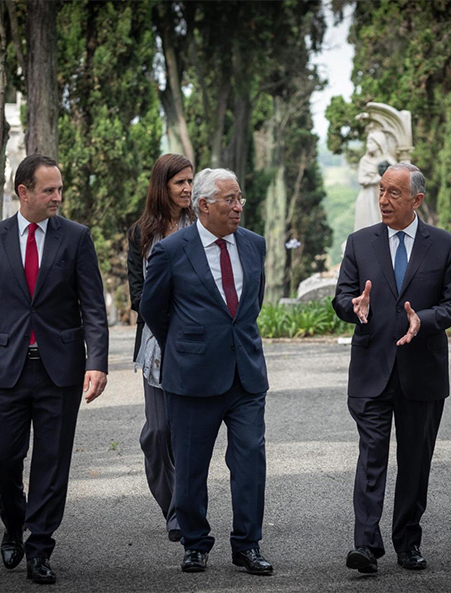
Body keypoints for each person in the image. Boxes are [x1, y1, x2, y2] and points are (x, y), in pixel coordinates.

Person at [0, 154, 109, 585]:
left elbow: (93, 307)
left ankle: (40, 545)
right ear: (23, 192)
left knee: (52, 461)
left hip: (59, 371)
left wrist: (96, 362)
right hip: (4, 369)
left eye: (60, 189)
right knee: (3, 456)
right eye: (49, 190)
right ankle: (13, 524)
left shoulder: (76, 237)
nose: (57, 197)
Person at [333, 162, 451, 573]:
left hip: (421, 372)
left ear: (417, 200)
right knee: (371, 456)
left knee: (414, 462)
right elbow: (341, 298)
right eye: (381, 190)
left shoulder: (445, 245)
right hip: (372, 369)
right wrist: (354, 309)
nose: (383, 199)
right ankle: (366, 545)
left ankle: (408, 541)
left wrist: (422, 320)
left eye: (393, 192)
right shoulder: (359, 242)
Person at [140, 168, 272, 576]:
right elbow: (152, 310)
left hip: (245, 374)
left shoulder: (254, 245)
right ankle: (195, 544)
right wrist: (187, 344)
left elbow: (253, 303)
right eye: (229, 200)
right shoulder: (172, 250)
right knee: (192, 467)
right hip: (193, 376)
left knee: (250, 460)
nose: (238, 207)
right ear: (203, 206)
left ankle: (247, 545)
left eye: (240, 199)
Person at [127, 154, 195, 542]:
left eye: (190, 181)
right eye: (179, 183)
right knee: (157, 432)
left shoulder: (202, 226)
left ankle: (180, 514)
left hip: (195, 343)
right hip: (155, 341)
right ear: (162, 186)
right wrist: (167, 318)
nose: (187, 189)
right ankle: (172, 505)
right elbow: (138, 293)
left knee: (184, 432)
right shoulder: (140, 233)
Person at [354, 128, 393, 231]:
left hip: (382, 196)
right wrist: (376, 179)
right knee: (365, 227)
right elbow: (361, 179)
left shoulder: (388, 160)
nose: (368, 145)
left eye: (371, 142)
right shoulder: (365, 160)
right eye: (368, 142)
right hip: (367, 196)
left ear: (379, 143)